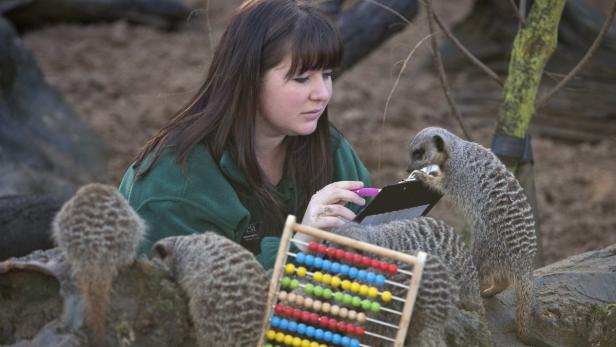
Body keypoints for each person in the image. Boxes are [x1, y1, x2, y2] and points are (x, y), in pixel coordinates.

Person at [118, 0, 370, 270]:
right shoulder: (175, 183)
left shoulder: (330, 149)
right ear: (248, 78)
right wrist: (298, 245)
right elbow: (198, 302)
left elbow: (374, 249)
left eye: (328, 75)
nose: (322, 94)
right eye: (301, 78)